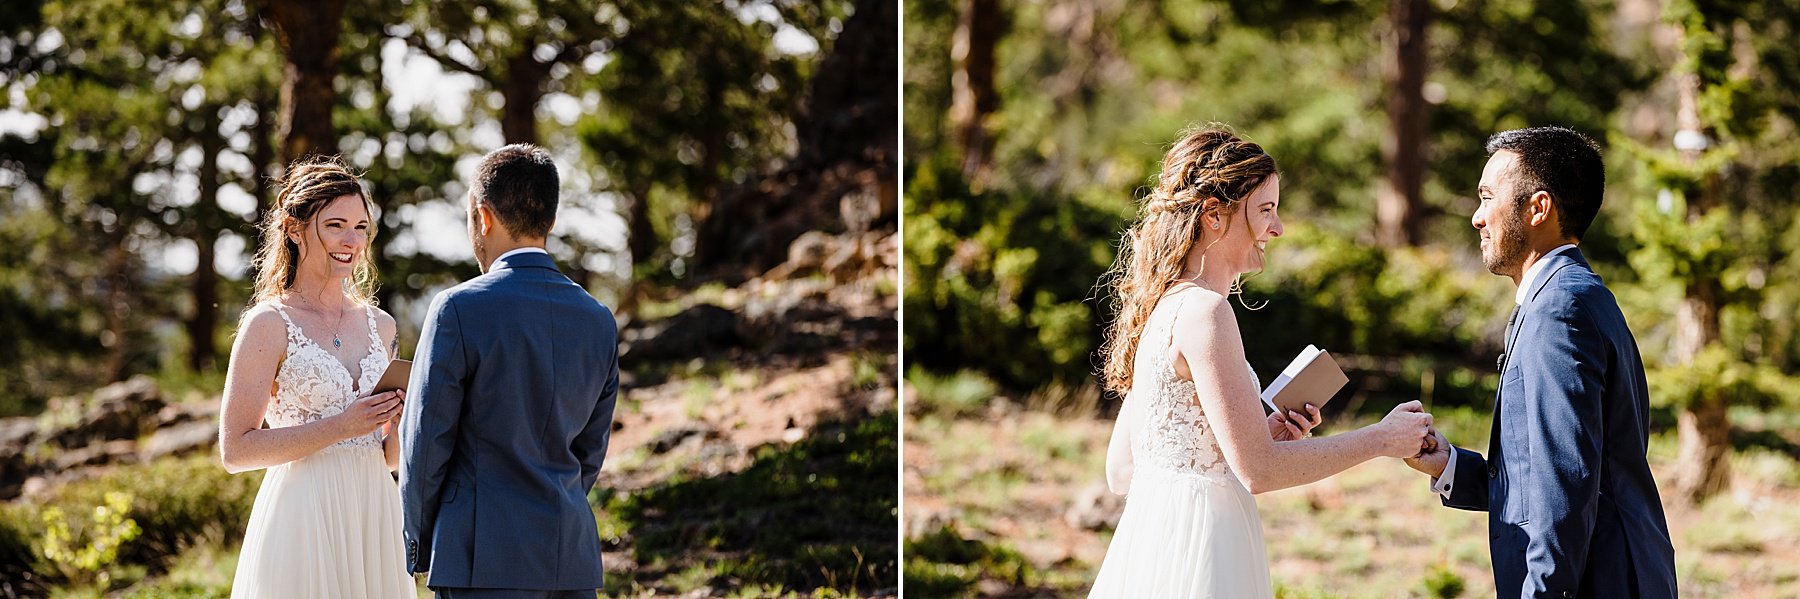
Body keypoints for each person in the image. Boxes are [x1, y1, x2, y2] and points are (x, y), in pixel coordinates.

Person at [1089, 125, 1437, 598]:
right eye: (1266, 210)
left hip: (1152, 548)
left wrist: (1248, 437)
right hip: (1208, 548)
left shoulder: (1163, 309)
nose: (1278, 228)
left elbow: (1122, 470)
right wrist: (1382, 438)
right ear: (1214, 213)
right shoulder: (1207, 312)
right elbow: (1259, 472)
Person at [1404, 126, 1677, 598]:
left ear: (1538, 208)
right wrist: (1449, 466)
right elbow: (1558, 473)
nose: (1476, 217)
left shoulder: (1559, 310)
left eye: (1488, 197)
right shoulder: (1575, 295)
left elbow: (1565, 489)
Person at [400, 144, 621, 598]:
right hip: (570, 558)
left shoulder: (457, 309)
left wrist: (420, 543)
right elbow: (589, 451)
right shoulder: (598, 319)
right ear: (551, 223)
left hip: (478, 558)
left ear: (483, 217)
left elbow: (425, 442)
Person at [219, 157, 413, 598]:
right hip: (303, 516)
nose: (352, 241)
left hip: (374, 513)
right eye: (336, 225)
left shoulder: (380, 326)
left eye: (362, 227)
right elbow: (235, 450)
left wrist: (400, 425)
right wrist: (342, 425)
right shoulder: (268, 324)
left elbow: (385, 456)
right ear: (293, 228)